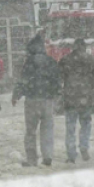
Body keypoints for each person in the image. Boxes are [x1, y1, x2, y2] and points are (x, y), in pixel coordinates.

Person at [12, 34, 61, 167]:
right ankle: (48, 156)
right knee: (47, 129)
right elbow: (57, 81)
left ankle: (32, 159)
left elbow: (23, 81)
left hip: (32, 99)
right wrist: (57, 94)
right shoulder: (51, 62)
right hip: (47, 100)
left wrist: (16, 95)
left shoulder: (29, 63)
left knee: (30, 131)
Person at [58, 38, 94, 164]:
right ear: (84, 47)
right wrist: (90, 87)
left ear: (73, 47)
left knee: (70, 126)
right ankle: (84, 147)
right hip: (85, 98)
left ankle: (71, 154)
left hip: (70, 98)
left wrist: (64, 89)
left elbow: (59, 77)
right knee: (86, 124)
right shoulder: (91, 60)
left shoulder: (65, 60)